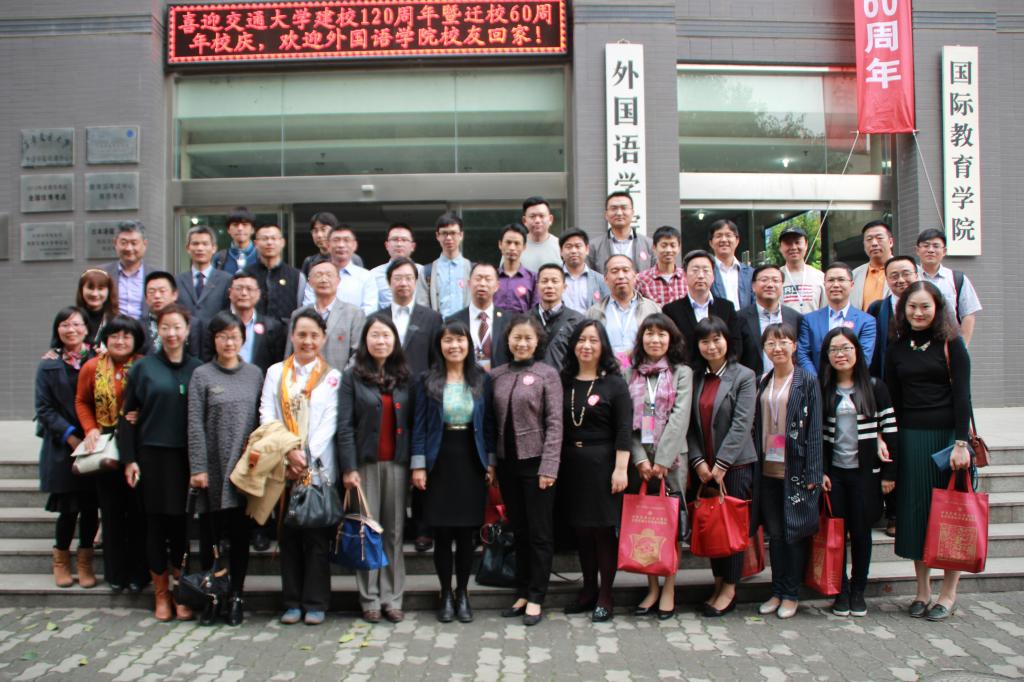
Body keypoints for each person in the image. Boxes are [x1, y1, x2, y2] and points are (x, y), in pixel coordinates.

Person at [885, 281, 972, 622]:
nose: (918, 313)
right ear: (903, 309)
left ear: (938, 309)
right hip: (910, 439)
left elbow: (963, 395)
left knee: (950, 515)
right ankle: (922, 591)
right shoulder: (897, 346)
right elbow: (892, 398)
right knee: (916, 514)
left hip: (948, 440)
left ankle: (948, 594)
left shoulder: (952, 343)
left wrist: (961, 442)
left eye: (925, 307)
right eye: (912, 306)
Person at [119, 303, 203, 622]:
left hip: (186, 457)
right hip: (151, 456)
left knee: (181, 527)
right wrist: (129, 460)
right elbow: (127, 416)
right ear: (158, 329)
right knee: (154, 526)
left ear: (187, 330)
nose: (171, 333)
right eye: (165, 327)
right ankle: (161, 593)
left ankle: (182, 592)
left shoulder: (198, 368)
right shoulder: (143, 368)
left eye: (177, 327)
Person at [260, 309, 342, 626]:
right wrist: (287, 452)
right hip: (282, 464)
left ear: (323, 339)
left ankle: (316, 602)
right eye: (302, 334)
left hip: (317, 468)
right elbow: (267, 414)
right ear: (292, 336)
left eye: (314, 335)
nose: (307, 341)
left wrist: (304, 456)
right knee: (289, 535)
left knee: (316, 537)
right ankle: (292, 601)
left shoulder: (332, 377)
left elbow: (330, 422)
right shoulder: (275, 373)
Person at [411, 321, 496, 624]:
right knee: (443, 533)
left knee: (466, 533)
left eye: (460, 340)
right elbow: (419, 426)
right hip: (439, 461)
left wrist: (491, 463)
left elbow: (489, 425)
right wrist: (418, 465)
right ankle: (445, 593)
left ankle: (463, 593)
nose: (454, 346)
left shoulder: (481, 379)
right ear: (440, 345)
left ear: (468, 344)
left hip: (470, 460)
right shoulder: (426, 380)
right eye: (448, 340)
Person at [187, 311, 264, 626]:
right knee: (210, 539)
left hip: (244, 473)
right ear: (214, 340)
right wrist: (198, 467)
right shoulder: (202, 375)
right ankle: (212, 596)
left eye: (234, 336)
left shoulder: (255, 374)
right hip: (212, 471)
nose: (229, 342)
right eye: (222, 336)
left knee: (240, 537)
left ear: (243, 339)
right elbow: (195, 424)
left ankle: (236, 596)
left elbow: (262, 422)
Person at [337, 313, 413, 625]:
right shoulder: (352, 376)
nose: (381, 341)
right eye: (375, 335)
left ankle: (392, 598)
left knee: (394, 532)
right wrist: (349, 467)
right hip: (365, 465)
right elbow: (344, 426)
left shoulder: (405, 376)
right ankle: (369, 599)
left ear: (395, 340)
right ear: (365, 341)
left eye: (386, 335)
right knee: (367, 531)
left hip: (397, 464)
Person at [820, 328, 898, 618]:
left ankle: (858, 591)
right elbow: (818, 436)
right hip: (836, 475)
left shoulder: (875, 387)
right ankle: (840, 590)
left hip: (867, 474)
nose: (840, 354)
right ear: (827, 356)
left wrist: (889, 474)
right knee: (837, 534)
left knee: (862, 533)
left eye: (846, 348)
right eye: (834, 350)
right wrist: (822, 471)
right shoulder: (824, 388)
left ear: (857, 351)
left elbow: (891, 431)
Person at [559, 320, 632, 622]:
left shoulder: (614, 383)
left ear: (603, 346)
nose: (586, 346)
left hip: (604, 466)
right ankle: (588, 589)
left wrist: (621, 469)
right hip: (571, 466)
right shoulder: (563, 380)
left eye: (593, 340)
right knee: (581, 531)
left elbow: (624, 429)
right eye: (581, 340)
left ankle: (606, 594)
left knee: (602, 531)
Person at [491, 315, 562, 626]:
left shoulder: (548, 374)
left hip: (537, 465)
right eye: (517, 337)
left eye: (528, 338)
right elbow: (490, 422)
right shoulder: (497, 375)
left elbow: (555, 424)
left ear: (537, 342)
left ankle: (536, 595)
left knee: (539, 533)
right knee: (518, 530)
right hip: (508, 464)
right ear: (508, 340)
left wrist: (550, 466)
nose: (522, 343)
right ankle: (521, 590)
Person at [687, 316, 757, 617]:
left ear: (727, 341)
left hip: (735, 466)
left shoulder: (744, 376)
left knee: (731, 526)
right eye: (705, 341)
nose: (711, 346)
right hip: (704, 468)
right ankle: (717, 583)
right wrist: (699, 462)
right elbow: (688, 425)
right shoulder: (695, 377)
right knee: (712, 525)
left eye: (717, 339)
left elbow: (742, 424)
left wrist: (721, 465)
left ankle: (730, 588)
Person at [624, 313, 692, 620]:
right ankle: (651, 587)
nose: (655, 339)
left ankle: (670, 587)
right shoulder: (630, 372)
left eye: (661, 334)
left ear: (671, 339)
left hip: (673, 461)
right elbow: (625, 420)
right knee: (646, 524)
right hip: (640, 462)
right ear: (641, 339)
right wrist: (640, 458)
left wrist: (662, 460)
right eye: (649, 333)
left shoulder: (682, 373)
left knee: (670, 524)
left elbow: (680, 417)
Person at [752, 323, 822, 620]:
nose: (777, 348)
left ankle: (792, 594)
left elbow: (815, 429)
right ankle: (777, 590)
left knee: (794, 534)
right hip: (767, 469)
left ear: (794, 345)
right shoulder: (763, 380)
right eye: (771, 343)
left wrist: (814, 473)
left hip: (796, 469)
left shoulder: (807, 381)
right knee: (776, 535)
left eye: (783, 342)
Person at [75, 314, 149, 593]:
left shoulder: (144, 366)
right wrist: (90, 428)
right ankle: (115, 573)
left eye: (126, 336)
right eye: (114, 336)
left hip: (136, 444)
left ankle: (139, 573)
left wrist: (142, 414)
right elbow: (81, 401)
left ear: (136, 340)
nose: (120, 341)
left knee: (138, 511)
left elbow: (154, 400)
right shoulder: (92, 367)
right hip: (105, 445)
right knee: (111, 511)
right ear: (106, 339)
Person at [35, 307, 99, 589]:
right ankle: (61, 559)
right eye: (64, 325)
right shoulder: (48, 364)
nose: (71, 329)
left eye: (76, 324)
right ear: (57, 330)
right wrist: (71, 436)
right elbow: (44, 409)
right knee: (69, 508)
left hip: (95, 442)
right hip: (63, 445)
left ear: (86, 328)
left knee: (91, 507)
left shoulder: (99, 359)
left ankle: (85, 560)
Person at [796, 262, 877, 377]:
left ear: (852, 285)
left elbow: (864, 358)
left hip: (852, 383)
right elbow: (803, 355)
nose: (835, 285)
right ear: (824, 284)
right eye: (831, 280)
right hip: (818, 383)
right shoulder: (809, 320)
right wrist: (816, 382)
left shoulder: (866, 321)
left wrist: (845, 381)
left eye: (841, 280)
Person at [287, 258, 366, 371]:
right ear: (309, 282)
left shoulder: (354, 314)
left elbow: (358, 354)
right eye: (318, 275)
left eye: (329, 275)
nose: (324, 279)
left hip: (341, 379)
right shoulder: (298, 315)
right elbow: (290, 355)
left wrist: (341, 379)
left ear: (338, 280)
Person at [663, 249, 742, 357]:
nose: (700, 275)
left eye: (706, 270)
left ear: (713, 276)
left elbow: (736, 344)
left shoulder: (727, 307)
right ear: (685, 276)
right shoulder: (671, 311)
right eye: (695, 270)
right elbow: (671, 347)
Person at [585, 254, 661, 365]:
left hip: (643, 370)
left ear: (635, 276)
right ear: (605, 279)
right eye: (614, 271)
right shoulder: (594, 313)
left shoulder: (652, 309)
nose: (621, 276)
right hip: (607, 371)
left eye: (626, 270)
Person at [915, 228, 982, 347]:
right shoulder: (910, 278)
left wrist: (962, 347)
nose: (930, 250)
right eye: (926, 246)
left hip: (948, 344)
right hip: (916, 343)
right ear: (917, 250)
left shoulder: (957, 279)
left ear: (944, 251)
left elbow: (968, 314)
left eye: (936, 246)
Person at [379, 257, 443, 380]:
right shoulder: (377, 319)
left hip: (421, 386)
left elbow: (437, 361)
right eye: (398, 278)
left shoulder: (432, 319)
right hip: (384, 385)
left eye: (409, 278)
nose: (403, 283)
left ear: (416, 282)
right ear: (389, 282)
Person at [738, 264, 803, 377]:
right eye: (764, 280)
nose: (770, 285)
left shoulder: (795, 317)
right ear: (753, 286)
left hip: (789, 383)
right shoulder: (739, 318)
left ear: (782, 285)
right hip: (752, 383)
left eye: (775, 280)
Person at [446, 263, 510, 372]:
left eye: (488, 279)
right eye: (478, 279)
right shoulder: (453, 321)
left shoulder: (509, 320)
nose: (482, 283)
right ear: (469, 284)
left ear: (497, 286)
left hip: (500, 379)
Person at [302, 225, 377, 314]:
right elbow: (308, 308)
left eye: (346, 240)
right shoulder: (316, 274)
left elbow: (370, 310)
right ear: (328, 245)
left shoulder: (366, 277)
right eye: (336, 240)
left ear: (354, 245)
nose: (341, 245)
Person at [868, 255, 918, 380]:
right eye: (894, 276)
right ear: (887, 279)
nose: (901, 280)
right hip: (887, 377)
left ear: (916, 276)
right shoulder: (876, 309)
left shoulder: (929, 306)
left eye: (906, 274)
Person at [138, 271, 208, 360]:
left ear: (174, 295)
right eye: (151, 292)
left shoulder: (192, 323)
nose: (157, 296)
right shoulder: (139, 325)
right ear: (146, 298)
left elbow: (196, 357)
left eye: (162, 291)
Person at [228, 271, 287, 374]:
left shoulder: (272, 327)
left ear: (258, 294)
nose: (244, 293)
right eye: (239, 288)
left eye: (249, 289)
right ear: (230, 292)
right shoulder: (218, 324)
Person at [249, 223, 307, 325]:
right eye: (264, 239)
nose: (269, 242)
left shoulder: (297, 277)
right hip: (253, 331)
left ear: (282, 242)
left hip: (286, 332)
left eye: (274, 238)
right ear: (256, 244)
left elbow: (302, 310)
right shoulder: (245, 275)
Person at [530, 263, 583, 370]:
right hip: (530, 379)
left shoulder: (577, 321)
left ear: (564, 287)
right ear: (537, 286)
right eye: (544, 281)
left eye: (555, 281)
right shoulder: (524, 320)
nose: (549, 286)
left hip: (563, 379)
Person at [587, 191, 654, 274]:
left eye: (624, 208)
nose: (619, 213)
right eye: (614, 208)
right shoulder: (594, 247)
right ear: (606, 214)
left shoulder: (649, 245)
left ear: (632, 213)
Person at [176, 225, 231, 324]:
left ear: (214, 248)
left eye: (205, 244)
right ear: (188, 248)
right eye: (195, 244)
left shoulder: (227, 280)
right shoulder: (177, 281)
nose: (200, 248)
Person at [423, 213, 472, 318]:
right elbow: (422, 308)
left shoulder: (472, 269)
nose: (449, 238)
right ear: (437, 236)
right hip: (438, 326)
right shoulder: (426, 271)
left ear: (461, 235)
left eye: (453, 233)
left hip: (466, 326)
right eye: (444, 233)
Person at [369, 223, 427, 308]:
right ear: (387, 245)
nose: (399, 244)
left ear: (413, 246)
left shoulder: (424, 273)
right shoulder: (373, 275)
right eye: (395, 239)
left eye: (404, 240)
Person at [101, 220, 148, 320]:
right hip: (111, 328)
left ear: (145, 244)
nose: (129, 248)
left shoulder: (157, 275)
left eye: (134, 243)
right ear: (115, 243)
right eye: (124, 243)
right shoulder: (101, 273)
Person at [635, 225, 688, 306]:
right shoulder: (641, 279)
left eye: (673, 245)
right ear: (654, 247)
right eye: (664, 245)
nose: (668, 250)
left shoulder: (687, 278)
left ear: (679, 248)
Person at [779, 226, 826, 314]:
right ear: (780, 248)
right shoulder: (774, 278)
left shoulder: (820, 276)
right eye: (788, 243)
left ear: (806, 245)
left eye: (797, 242)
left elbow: (825, 310)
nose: (793, 247)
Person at [560, 228, 609, 313]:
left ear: (587, 249)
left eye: (578, 246)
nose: (573, 251)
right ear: (561, 251)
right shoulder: (552, 279)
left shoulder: (600, 280)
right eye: (569, 247)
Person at [708, 219, 754, 310]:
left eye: (728, 235)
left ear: (737, 241)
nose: (724, 240)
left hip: (744, 319)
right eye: (718, 236)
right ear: (711, 242)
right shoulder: (706, 272)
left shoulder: (750, 273)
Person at [494, 223, 537, 314]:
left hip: (523, 322)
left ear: (524, 247)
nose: (512, 248)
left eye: (517, 243)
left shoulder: (533, 279)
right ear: (500, 244)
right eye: (508, 242)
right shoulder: (491, 277)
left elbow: (536, 311)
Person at [851, 220, 893, 310]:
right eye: (869, 239)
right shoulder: (854, 275)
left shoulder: (909, 271)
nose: (874, 243)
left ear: (890, 242)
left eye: (879, 238)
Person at [75, 268, 119, 348]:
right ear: (81, 289)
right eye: (90, 288)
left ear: (109, 291)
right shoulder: (71, 318)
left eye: (100, 288)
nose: (95, 294)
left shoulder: (117, 321)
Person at [519, 196, 562, 273]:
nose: (537, 220)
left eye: (541, 216)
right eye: (532, 216)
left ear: (550, 219)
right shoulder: (515, 246)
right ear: (524, 221)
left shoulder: (560, 246)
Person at [212, 207, 258, 274]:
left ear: (252, 229)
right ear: (228, 230)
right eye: (235, 225)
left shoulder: (261, 256)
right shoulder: (219, 258)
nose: (240, 228)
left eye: (245, 225)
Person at [300, 211, 337, 277]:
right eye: (315, 231)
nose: (319, 235)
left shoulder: (350, 259)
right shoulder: (309, 261)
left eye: (323, 229)